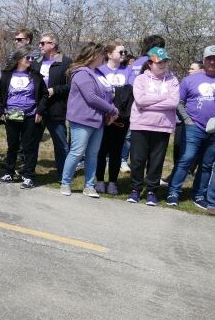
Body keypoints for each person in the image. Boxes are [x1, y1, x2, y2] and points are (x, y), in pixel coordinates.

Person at [60, 42, 119, 197]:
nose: (104, 57)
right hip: (81, 119)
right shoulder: (81, 73)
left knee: (93, 154)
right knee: (77, 152)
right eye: (102, 54)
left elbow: (106, 94)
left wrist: (109, 110)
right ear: (94, 56)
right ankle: (65, 182)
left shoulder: (98, 73)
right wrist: (112, 109)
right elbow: (91, 97)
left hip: (98, 120)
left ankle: (89, 185)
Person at [126, 47, 179, 206]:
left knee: (156, 162)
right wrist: (163, 98)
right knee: (137, 160)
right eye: (158, 62)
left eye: (164, 61)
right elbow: (140, 101)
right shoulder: (141, 79)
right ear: (150, 63)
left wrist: (151, 102)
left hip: (162, 126)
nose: (162, 64)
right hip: (140, 125)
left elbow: (174, 102)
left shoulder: (173, 80)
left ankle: (151, 191)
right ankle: (135, 189)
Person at [167, 45, 215, 208]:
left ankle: (199, 195)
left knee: (207, 164)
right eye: (209, 58)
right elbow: (179, 102)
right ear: (204, 60)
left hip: (214, 131)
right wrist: (187, 120)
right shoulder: (190, 80)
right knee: (186, 159)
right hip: (194, 127)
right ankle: (173, 192)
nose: (212, 62)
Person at [0, 45, 48, 189]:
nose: (31, 60)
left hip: (30, 115)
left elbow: (44, 94)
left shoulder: (35, 75)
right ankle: (8, 173)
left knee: (29, 147)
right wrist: (0, 111)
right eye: (27, 57)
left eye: (32, 58)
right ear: (18, 59)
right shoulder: (7, 75)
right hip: (11, 115)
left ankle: (28, 176)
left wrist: (40, 111)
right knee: (13, 146)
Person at [31, 32, 71, 178]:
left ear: (52, 45)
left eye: (43, 43)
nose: (39, 45)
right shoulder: (36, 62)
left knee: (60, 144)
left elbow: (71, 86)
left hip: (56, 109)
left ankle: (64, 175)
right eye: (39, 43)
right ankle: (29, 172)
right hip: (38, 109)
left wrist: (55, 90)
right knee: (32, 142)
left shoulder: (66, 62)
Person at [94, 43, 133, 195]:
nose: (124, 54)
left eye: (125, 51)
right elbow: (96, 92)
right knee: (101, 150)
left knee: (116, 151)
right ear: (109, 54)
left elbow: (129, 92)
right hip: (102, 116)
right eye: (120, 51)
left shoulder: (128, 71)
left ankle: (112, 182)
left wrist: (113, 93)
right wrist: (116, 94)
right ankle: (99, 180)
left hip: (120, 117)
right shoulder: (99, 70)